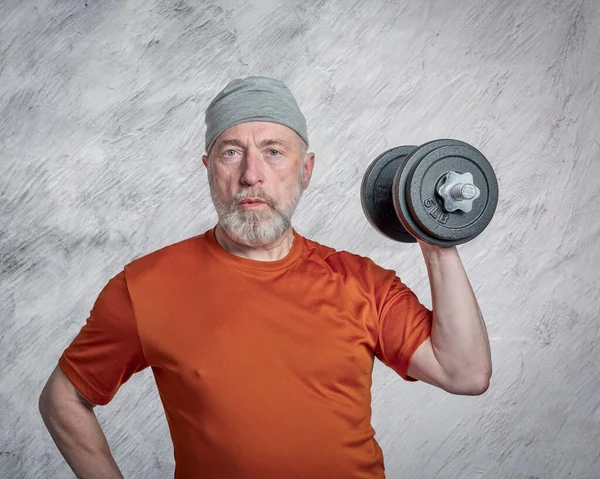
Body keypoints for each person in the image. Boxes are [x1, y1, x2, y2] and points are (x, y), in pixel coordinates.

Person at [39, 76, 492, 479]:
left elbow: (464, 372)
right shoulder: (145, 286)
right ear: (208, 169)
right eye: (231, 153)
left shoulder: (362, 282)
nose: (251, 175)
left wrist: (433, 233)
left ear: (306, 170)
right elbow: (63, 400)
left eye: (273, 152)